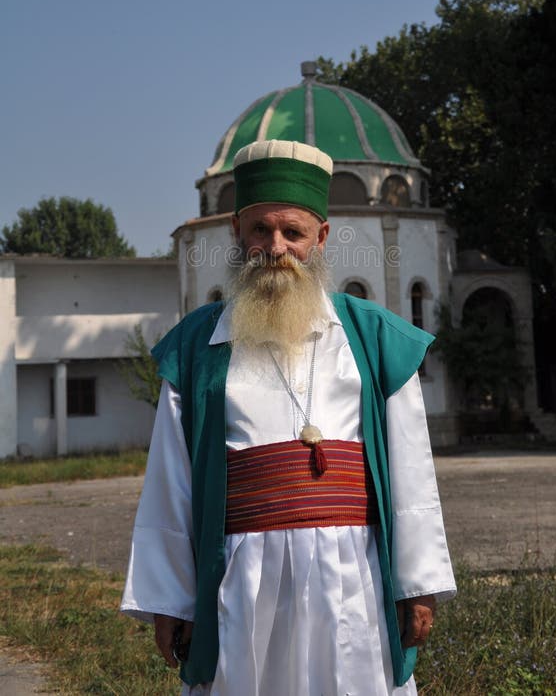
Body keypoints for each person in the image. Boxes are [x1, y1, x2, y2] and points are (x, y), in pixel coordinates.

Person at [121, 139, 456, 696]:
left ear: (320, 237)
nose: (275, 248)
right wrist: (171, 600)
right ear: (237, 231)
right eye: (261, 229)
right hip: (241, 584)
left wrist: (417, 585)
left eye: (292, 232)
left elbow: (412, 474)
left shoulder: (374, 337)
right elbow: (170, 481)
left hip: (353, 580)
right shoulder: (196, 347)